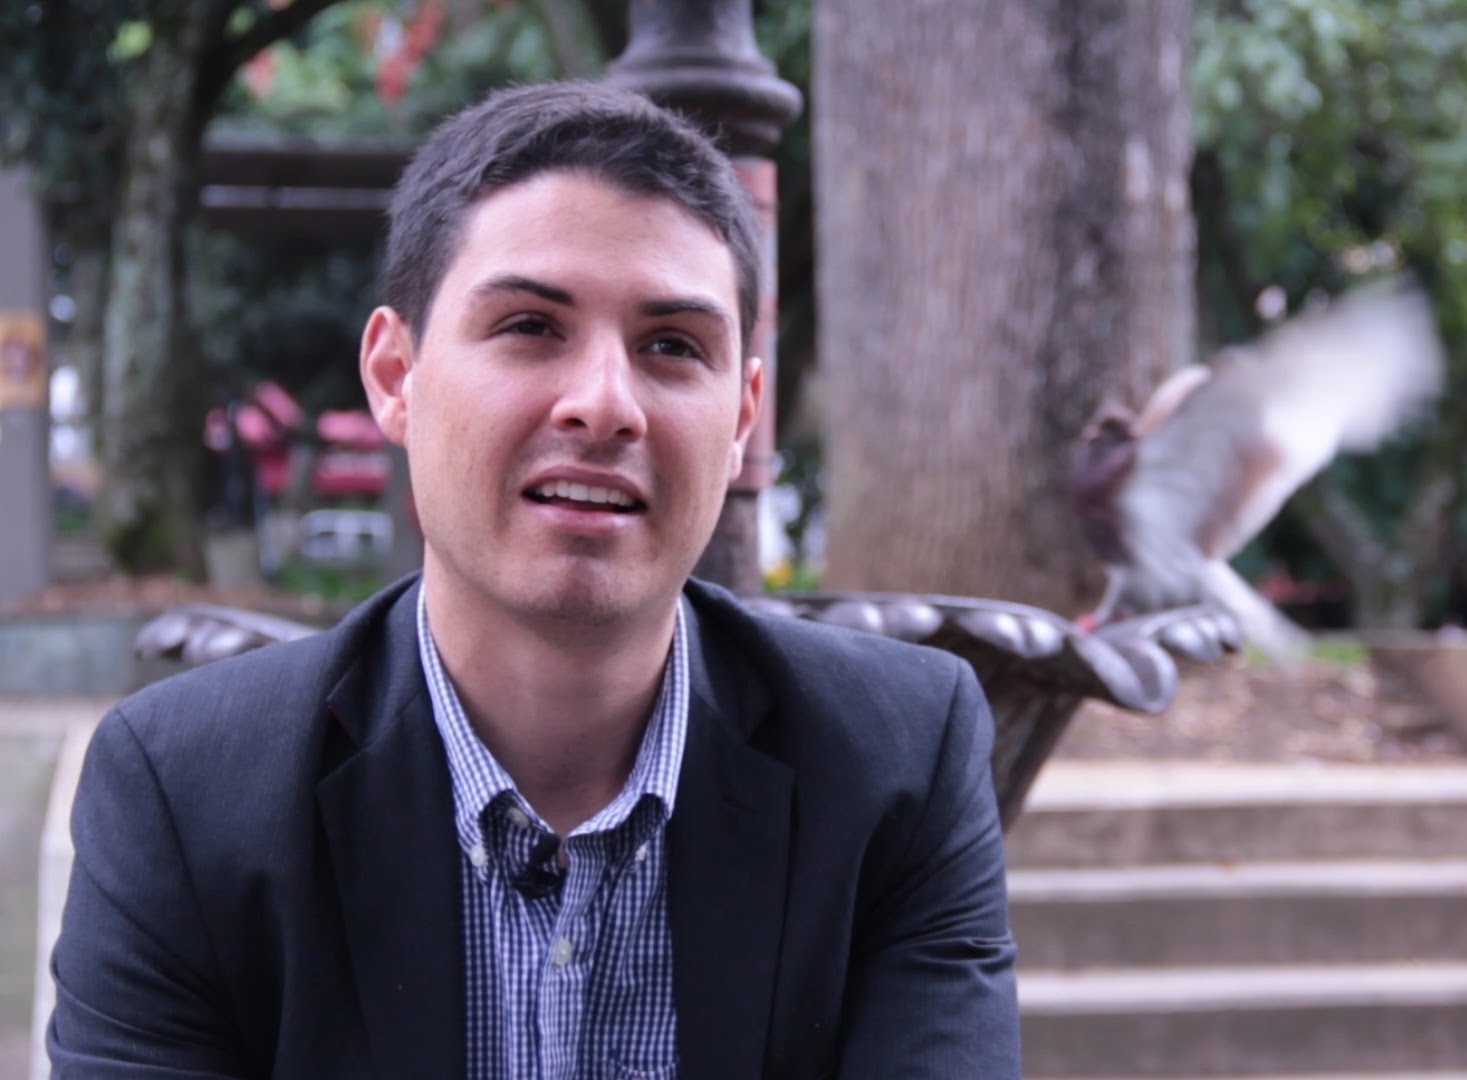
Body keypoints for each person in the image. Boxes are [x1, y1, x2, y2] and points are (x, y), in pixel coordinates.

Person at [48, 82, 1020, 1079]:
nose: (605, 405)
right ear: (395, 375)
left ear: (743, 417)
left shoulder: (894, 762)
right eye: (529, 326)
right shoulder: (189, 794)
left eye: (673, 346)